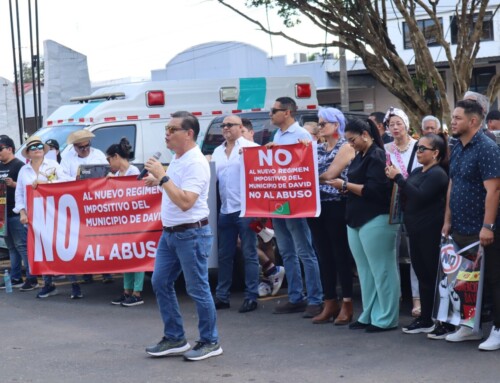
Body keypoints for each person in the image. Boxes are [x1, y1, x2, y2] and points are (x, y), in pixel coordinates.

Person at [144, 111, 222, 361]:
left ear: (189, 134)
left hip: (191, 233)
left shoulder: (196, 162)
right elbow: (174, 187)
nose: (166, 134)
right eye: (166, 129)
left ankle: (210, 341)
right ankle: (175, 337)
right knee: (160, 282)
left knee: (197, 288)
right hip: (170, 235)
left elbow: (186, 201)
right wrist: (158, 180)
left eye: (172, 129)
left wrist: (162, 176)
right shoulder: (178, 158)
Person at [328, 119, 399, 332]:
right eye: (348, 141)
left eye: (353, 140)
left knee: (382, 270)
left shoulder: (377, 156)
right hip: (357, 218)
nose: (351, 144)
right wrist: (347, 188)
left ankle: (386, 317)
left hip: (376, 218)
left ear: (365, 135)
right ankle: (368, 313)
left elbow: (376, 191)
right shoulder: (360, 156)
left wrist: (345, 185)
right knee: (366, 271)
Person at [443, 99, 500, 351]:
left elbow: (495, 189)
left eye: (457, 118)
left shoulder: (487, 148)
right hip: (460, 226)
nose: (452, 122)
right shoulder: (456, 146)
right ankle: (469, 326)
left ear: (473, 121)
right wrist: (447, 219)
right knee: (466, 276)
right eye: (453, 118)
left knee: (494, 280)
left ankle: (498, 328)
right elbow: (452, 184)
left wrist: (488, 225)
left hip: (483, 228)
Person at [386, 133, 455, 338]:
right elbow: (408, 193)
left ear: (435, 153)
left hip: (430, 231)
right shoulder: (417, 170)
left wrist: (398, 177)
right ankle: (426, 318)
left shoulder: (438, 174)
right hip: (414, 230)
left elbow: (420, 195)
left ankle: (444, 321)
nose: (419, 152)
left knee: (435, 276)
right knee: (423, 275)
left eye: (423, 148)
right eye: (418, 148)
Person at [266, 97, 323, 317]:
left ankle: (315, 298)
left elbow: (307, 165)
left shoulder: (302, 135)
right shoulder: (278, 135)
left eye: (274, 110)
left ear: (287, 112)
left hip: (296, 202)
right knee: (287, 251)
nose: (271, 114)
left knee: (304, 251)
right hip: (279, 200)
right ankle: (296, 297)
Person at [308, 107, 356, 325]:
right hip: (316, 206)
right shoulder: (316, 148)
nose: (320, 127)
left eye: (323, 123)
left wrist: (309, 178)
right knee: (323, 255)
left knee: (340, 254)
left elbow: (330, 174)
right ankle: (329, 301)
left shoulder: (345, 146)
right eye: (318, 124)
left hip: (336, 204)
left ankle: (347, 301)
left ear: (336, 125)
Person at [13, 136, 74, 298]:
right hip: (34, 218)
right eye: (33, 148)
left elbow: (65, 182)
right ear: (28, 153)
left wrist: (46, 184)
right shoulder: (23, 171)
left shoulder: (53, 165)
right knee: (42, 251)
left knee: (62, 248)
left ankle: (75, 284)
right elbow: (19, 194)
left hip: (54, 214)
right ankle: (48, 284)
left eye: (40, 146)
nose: (37, 149)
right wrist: (22, 212)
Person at [211, 115, 260, 313]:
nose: (225, 128)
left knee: (249, 254)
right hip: (226, 209)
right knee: (224, 255)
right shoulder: (217, 151)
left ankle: (251, 296)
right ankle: (222, 296)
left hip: (246, 209)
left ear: (241, 128)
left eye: (230, 125)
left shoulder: (252, 148)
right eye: (223, 126)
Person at [61, 130, 113, 284]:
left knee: (102, 238)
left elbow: (107, 172)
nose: (84, 149)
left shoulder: (98, 155)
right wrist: (75, 179)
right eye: (81, 147)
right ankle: (87, 271)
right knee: (83, 239)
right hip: (78, 203)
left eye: (87, 146)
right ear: (75, 147)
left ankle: (106, 270)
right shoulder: (67, 158)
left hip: (97, 202)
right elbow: (62, 177)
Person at [384, 107, 421, 318]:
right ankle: (395, 297)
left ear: (406, 124)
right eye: (391, 124)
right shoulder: (386, 149)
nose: (396, 128)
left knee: (415, 253)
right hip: (393, 204)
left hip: (415, 202)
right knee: (392, 252)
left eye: (399, 123)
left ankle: (417, 298)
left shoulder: (418, 146)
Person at [106, 137, 145, 307]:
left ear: (116, 156)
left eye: (109, 159)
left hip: (135, 220)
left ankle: (137, 292)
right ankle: (127, 290)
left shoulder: (134, 172)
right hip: (122, 222)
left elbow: (136, 194)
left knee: (137, 256)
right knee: (126, 256)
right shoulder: (116, 175)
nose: (109, 164)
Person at [0, 136, 39, 291]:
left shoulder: (19, 166)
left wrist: (14, 184)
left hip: (17, 212)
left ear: (10, 148)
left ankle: (32, 277)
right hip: (3, 214)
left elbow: (27, 189)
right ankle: (15, 277)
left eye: (0, 149)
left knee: (22, 245)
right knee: (11, 247)